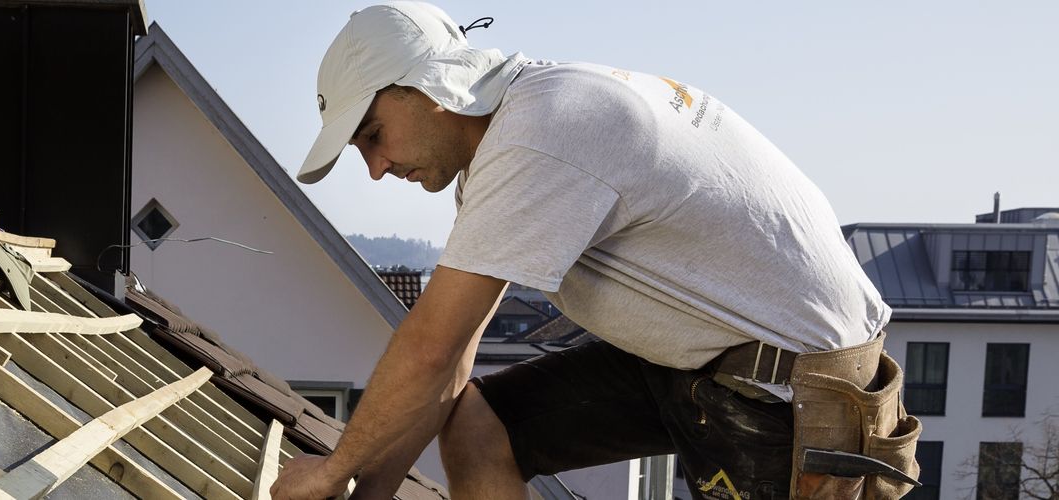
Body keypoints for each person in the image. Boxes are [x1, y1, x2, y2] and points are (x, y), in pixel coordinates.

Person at [270, 3, 920, 499]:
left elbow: (431, 346)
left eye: (373, 135)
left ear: (428, 87)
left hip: (792, 396)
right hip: (707, 356)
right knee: (479, 425)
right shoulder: (520, 133)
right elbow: (453, 360)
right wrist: (366, 488)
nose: (377, 169)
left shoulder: (541, 136)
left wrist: (331, 470)